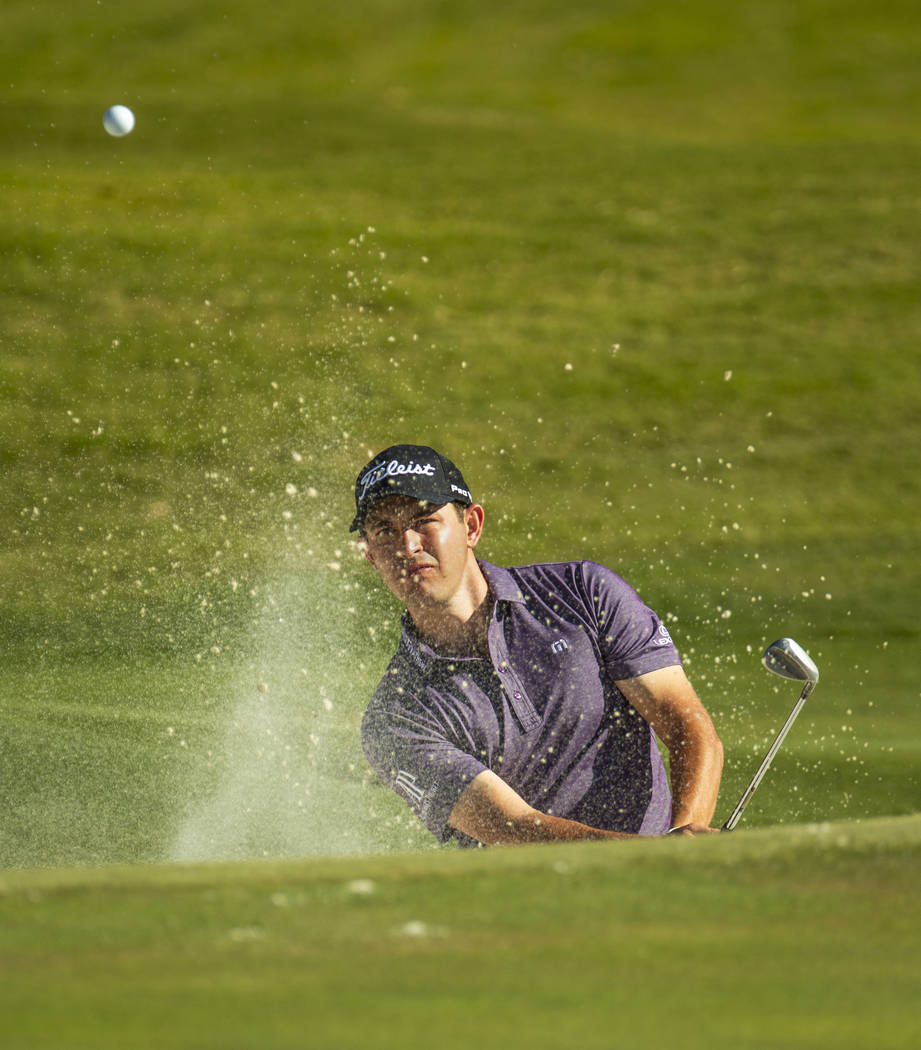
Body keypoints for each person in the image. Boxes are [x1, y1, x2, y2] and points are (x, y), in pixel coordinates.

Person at [352, 444, 723, 847]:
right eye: (385, 530)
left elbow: (688, 727)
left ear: (472, 526)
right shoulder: (394, 716)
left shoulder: (583, 592)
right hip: (527, 903)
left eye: (424, 519)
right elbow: (514, 829)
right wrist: (651, 856)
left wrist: (684, 844)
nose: (407, 545)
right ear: (371, 556)